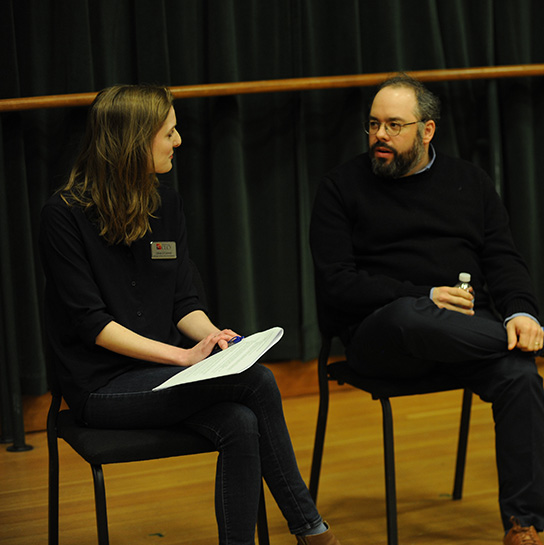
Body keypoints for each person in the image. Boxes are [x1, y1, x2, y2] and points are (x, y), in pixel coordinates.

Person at [309, 73, 544, 545]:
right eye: (373, 126)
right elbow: (336, 285)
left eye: (394, 126)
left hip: (463, 335)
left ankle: (523, 526)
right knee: (410, 314)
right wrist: (424, 293)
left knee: (519, 376)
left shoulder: (469, 181)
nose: (379, 138)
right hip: (381, 339)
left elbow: (503, 258)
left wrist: (521, 312)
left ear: (427, 130)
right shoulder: (339, 187)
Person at [39, 84, 341, 545]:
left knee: (240, 421)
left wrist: (215, 338)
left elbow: (184, 301)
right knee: (257, 382)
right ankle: (312, 530)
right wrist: (181, 358)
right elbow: (92, 324)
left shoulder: (166, 204)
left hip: (162, 377)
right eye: (169, 133)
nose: (178, 142)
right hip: (100, 386)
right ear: (134, 141)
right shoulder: (62, 214)